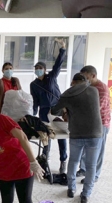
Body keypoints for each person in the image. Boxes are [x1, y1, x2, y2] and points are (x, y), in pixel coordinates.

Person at [51, 73, 102, 203]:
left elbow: (54, 112)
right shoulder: (94, 90)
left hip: (76, 133)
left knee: (73, 161)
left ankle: (71, 189)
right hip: (95, 133)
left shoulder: (67, 94)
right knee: (91, 165)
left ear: (73, 82)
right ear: (85, 81)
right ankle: (86, 194)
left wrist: (65, 108)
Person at [30, 38, 68, 174]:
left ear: (45, 70)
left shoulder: (51, 77)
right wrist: (32, 112)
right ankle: (45, 159)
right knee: (46, 136)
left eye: (40, 68)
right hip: (44, 111)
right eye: (36, 68)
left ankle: (63, 161)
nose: (38, 70)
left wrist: (62, 49)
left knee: (61, 136)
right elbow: (34, 99)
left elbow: (58, 64)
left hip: (57, 110)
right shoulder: (33, 84)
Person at [77, 66, 111, 183]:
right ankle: (83, 169)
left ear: (93, 75)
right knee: (86, 147)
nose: (84, 80)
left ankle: (94, 175)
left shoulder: (102, 89)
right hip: (87, 122)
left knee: (97, 149)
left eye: (86, 77)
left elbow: (97, 109)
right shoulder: (87, 86)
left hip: (101, 123)